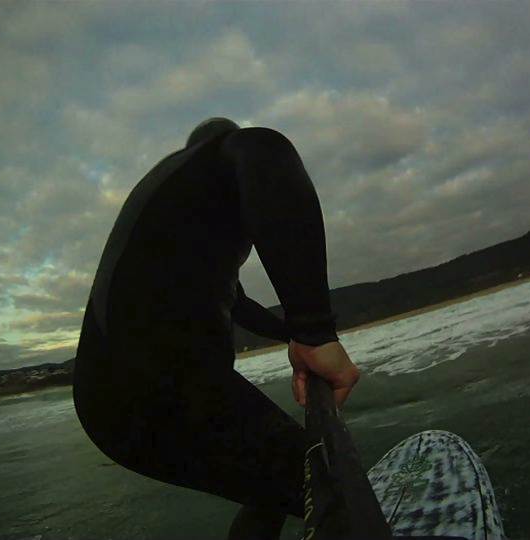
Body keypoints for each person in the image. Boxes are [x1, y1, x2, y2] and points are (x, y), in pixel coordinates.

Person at [72, 117, 361, 540]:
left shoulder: (177, 218)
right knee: (326, 486)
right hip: (160, 383)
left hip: (111, 398)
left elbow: (239, 305)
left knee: (273, 485)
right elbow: (264, 147)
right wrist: (315, 332)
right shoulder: (225, 157)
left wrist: (293, 335)